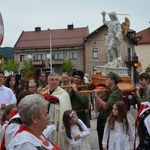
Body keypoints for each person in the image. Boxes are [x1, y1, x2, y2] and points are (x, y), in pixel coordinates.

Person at [39, 73, 72, 148]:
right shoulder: (44, 92)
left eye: (56, 80)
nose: (54, 82)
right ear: (48, 81)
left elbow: (66, 109)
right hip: (44, 123)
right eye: (52, 80)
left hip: (57, 123)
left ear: (59, 82)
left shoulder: (64, 94)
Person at [93, 71, 123, 150]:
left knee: (108, 144)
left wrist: (97, 96)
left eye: (107, 79)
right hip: (101, 119)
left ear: (112, 81)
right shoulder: (107, 91)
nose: (105, 81)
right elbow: (98, 109)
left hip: (109, 120)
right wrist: (97, 97)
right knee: (101, 143)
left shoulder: (116, 93)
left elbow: (106, 106)